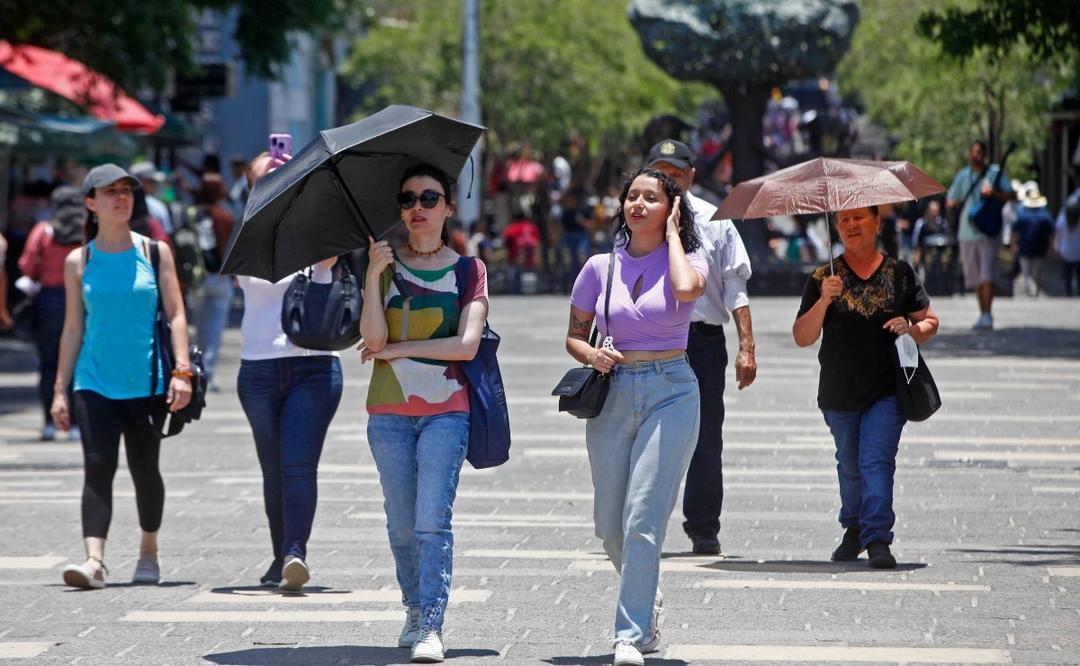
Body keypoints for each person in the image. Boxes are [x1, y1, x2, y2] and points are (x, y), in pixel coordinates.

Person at [566, 167, 707, 666]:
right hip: (614, 392)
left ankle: (629, 634)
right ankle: (645, 596)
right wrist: (591, 356)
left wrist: (672, 235)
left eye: (651, 198)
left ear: (670, 208)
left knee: (643, 516)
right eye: (632, 196)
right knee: (609, 526)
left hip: (672, 390)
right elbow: (574, 335)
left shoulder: (688, 259)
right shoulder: (598, 267)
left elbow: (687, 290)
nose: (638, 205)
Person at [360, 163, 489, 663]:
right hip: (388, 412)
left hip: (446, 412)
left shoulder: (468, 270)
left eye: (429, 198)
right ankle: (412, 607)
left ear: (449, 208)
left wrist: (400, 348)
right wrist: (372, 273)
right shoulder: (385, 266)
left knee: (432, 521)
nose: (417, 208)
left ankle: (432, 625)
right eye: (408, 199)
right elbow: (372, 340)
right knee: (400, 524)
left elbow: (466, 346)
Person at [51, 164, 193, 589]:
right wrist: (60, 388)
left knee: (145, 469)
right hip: (93, 380)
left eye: (126, 190)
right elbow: (73, 327)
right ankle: (94, 561)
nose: (121, 197)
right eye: (110, 191)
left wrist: (182, 372)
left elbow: (176, 313)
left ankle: (148, 551)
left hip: (148, 381)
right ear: (91, 203)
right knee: (97, 466)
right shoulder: (80, 260)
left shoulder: (155, 252)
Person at [793, 206, 939, 570]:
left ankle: (877, 538)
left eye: (860, 218)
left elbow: (930, 322)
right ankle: (854, 528)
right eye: (844, 220)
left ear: (877, 223)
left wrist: (910, 327)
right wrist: (825, 298)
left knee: (875, 461)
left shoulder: (900, 273)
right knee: (850, 465)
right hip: (838, 390)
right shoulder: (822, 276)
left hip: (886, 390)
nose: (851, 225)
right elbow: (802, 337)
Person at [232, 152, 344, 591]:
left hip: (313, 366)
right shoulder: (245, 233)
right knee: (272, 468)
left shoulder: (317, 227)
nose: (278, 178)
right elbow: (245, 274)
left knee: (298, 464)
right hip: (258, 366)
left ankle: (295, 552)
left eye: (285, 171)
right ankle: (280, 555)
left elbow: (327, 279)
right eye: (266, 173)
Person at [645, 139, 755, 556]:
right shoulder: (638, 216)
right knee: (648, 434)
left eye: (674, 174)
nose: (666, 182)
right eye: (659, 173)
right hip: (652, 339)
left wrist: (748, 345)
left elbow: (736, 286)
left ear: (690, 176)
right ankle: (646, 522)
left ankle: (704, 526)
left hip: (703, 340)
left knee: (706, 435)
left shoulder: (715, 220)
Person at [17, 186, 85, 441]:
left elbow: (26, 264)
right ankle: (77, 423)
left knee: (48, 365)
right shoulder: (85, 232)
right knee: (78, 364)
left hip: (48, 301)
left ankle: (49, 422)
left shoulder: (44, 230)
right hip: (80, 298)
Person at [946, 141, 1014, 330]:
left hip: (988, 231)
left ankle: (988, 314)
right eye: (973, 152)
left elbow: (1013, 195)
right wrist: (951, 203)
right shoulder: (963, 175)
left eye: (979, 152)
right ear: (969, 154)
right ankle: (982, 312)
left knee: (987, 273)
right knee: (976, 276)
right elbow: (952, 197)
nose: (976, 155)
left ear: (984, 154)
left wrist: (995, 193)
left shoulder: (994, 173)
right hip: (967, 232)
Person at [187, 174, 236, 389]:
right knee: (214, 330)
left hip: (197, 278)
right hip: (220, 276)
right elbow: (231, 247)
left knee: (198, 329)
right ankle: (206, 373)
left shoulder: (192, 215)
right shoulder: (225, 216)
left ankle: (195, 369)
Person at [1010, 182, 1055, 297]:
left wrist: (1014, 245)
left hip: (1025, 247)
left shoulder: (1023, 214)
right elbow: (1051, 233)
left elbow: (1015, 232)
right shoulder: (1045, 215)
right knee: (1037, 271)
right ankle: (1034, 290)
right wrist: (1051, 247)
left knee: (1026, 273)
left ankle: (1030, 289)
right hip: (1040, 248)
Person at [130, 161, 173, 234]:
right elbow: (166, 234)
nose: (155, 184)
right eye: (151, 181)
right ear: (141, 180)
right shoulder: (156, 205)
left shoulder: (121, 203)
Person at [1056, 189, 1080, 296]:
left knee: (1068, 274)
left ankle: (1068, 293)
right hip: (1078, 251)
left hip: (1066, 250)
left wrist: (1057, 247)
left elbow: (1058, 233)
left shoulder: (1062, 219)